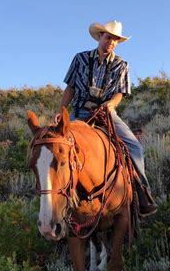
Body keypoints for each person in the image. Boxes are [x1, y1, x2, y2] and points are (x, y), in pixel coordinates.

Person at [56, 19, 157, 216]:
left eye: (115, 40)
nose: (111, 42)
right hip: (80, 111)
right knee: (59, 147)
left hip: (106, 113)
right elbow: (70, 87)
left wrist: (111, 104)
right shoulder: (80, 58)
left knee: (134, 147)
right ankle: (56, 201)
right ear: (100, 36)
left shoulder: (122, 65)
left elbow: (120, 92)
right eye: (108, 37)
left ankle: (142, 192)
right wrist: (61, 110)